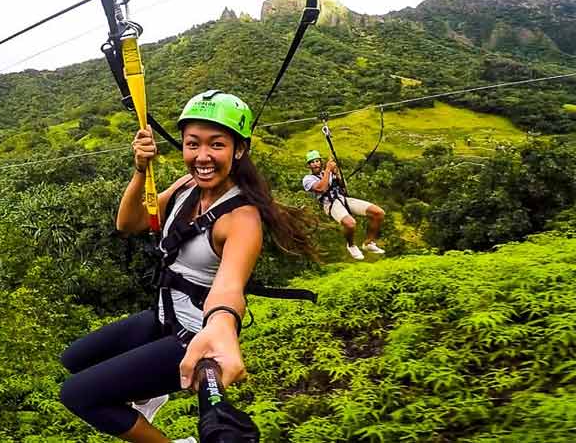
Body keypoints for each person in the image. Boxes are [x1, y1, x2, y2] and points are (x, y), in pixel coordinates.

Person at [60, 90, 315, 442]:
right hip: (163, 316)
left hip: (195, 335)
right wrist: (140, 171)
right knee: (73, 360)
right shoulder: (186, 187)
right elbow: (128, 222)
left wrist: (222, 326)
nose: (203, 157)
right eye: (193, 145)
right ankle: (149, 392)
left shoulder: (241, 219)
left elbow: (229, 287)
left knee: (77, 394)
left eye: (217, 145)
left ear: (239, 150)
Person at [302, 150, 385, 260]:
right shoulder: (308, 179)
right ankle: (351, 245)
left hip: (343, 198)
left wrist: (337, 174)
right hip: (330, 204)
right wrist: (328, 170)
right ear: (309, 166)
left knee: (378, 213)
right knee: (350, 224)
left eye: (317, 161)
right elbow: (321, 188)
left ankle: (369, 243)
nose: (315, 164)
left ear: (320, 162)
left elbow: (343, 186)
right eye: (312, 162)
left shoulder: (329, 173)